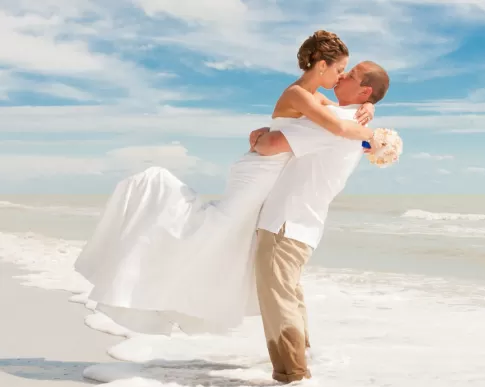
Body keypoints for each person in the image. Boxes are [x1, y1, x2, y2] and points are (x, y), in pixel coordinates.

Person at [73, 30, 383, 336]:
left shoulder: (312, 96)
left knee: (225, 235)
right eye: (340, 70)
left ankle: (178, 288)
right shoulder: (298, 94)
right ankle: (145, 263)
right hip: (258, 170)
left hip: (263, 171)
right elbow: (337, 127)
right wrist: (372, 134)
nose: (340, 78)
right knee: (215, 227)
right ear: (321, 65)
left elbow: (340, 112)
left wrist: (369, 107)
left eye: (346, 73)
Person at [245, 61, 390, 383]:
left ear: (364, 89)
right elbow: (321, 102)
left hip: (285, 223)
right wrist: (368, 105)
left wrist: (257, 139)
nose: (341, 76)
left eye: (350, 75)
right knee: (290, 297)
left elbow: (271, 146)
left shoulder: (337, 121)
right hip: (303, 224)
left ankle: (292, 377)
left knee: (278, 301)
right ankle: (301, 369)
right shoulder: (347, 118)